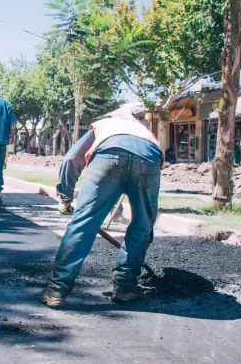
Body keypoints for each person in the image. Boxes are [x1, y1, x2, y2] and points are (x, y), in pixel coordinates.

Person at [41, 103, 163, 309]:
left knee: (82, 224)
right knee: (142, 225)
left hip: (108, 155)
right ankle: (125, 287)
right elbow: (138, 167)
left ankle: (56, 291)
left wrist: (66, 193)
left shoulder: (105, 125)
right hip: (148, 159)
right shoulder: (146, 133)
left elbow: (72, 159)